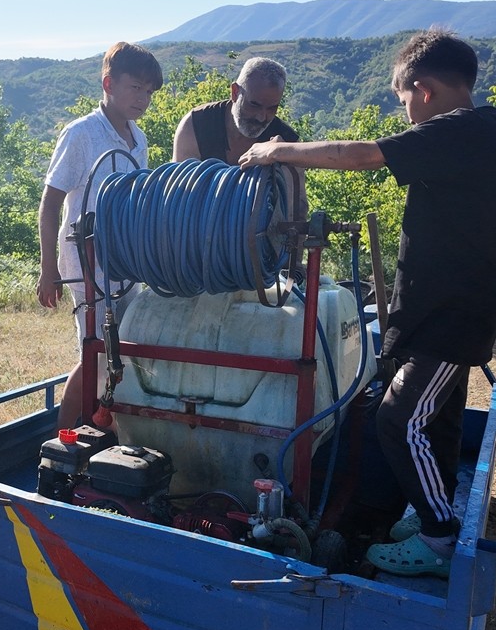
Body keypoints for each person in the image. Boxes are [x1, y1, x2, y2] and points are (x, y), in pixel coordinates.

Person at [239, 29, 496, 578]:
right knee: (436, 420)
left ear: (426, 89)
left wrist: (277, 150)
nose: (407, 109)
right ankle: (430, 508)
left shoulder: (458, 130)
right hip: (439, 306)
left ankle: (438, 539)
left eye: (404, 98)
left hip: (453, 313)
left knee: (400, 416)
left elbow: (363, 154)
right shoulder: (472, 134)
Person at [37, 41, 163, 430]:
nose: (143, 98)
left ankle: (106, 428)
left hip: (124, 264)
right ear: (108, 83)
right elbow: (50, 202)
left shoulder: (137, 138)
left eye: (149, 91)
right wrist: (47, 269)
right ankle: (64, 438)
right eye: (135, 87)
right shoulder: (82, 135)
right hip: (86, 265)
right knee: (95, 353)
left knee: (122, 349)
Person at [172, 57, 299, 165]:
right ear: (235, 92)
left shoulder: (286, 141)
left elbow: (295, 193)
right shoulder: (196, 124)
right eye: (254, 105)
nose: (261, 117)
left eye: (272, 108)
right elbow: (180, 188)